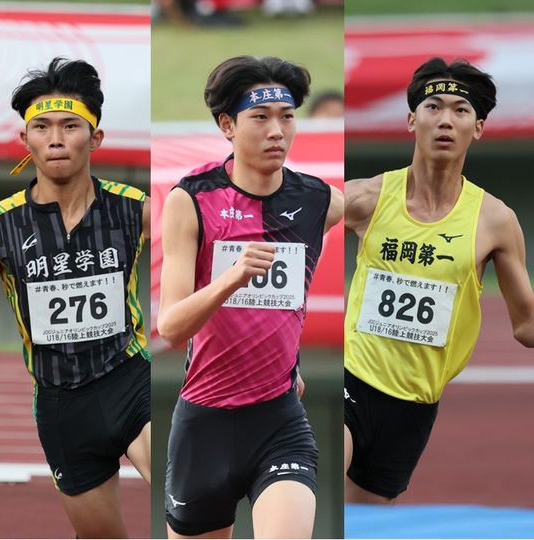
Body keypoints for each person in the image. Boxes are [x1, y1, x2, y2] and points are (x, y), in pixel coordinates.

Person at [0, 57, 151, 539]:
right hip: (61, 402)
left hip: (130, 380)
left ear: (95, 138)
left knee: (184, 498)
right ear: (25, 139)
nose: (56, 138)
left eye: (70, 126)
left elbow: (198, 263)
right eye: (42, 127)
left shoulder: (137, 210)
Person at [157, 55, 343, 539]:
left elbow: (290, 302)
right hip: (205, 424)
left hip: (279, 419)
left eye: (287, 116)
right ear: (227, 125)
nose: (277, 131)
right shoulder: (191, 200)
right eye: (260, 117)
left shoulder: (321, 201)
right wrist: (230, 279)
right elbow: (171, 326)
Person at [344, 57, 534, 504]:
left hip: (414, 404)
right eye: (433, 107)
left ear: (478, 128)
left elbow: (526, 325)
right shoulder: (365, 198)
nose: (445, 120)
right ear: (412, 120)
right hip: (352, 377)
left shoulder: (495, 220)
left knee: (365, 522)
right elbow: (292, 222)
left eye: (460, 110)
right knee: (318, 492)